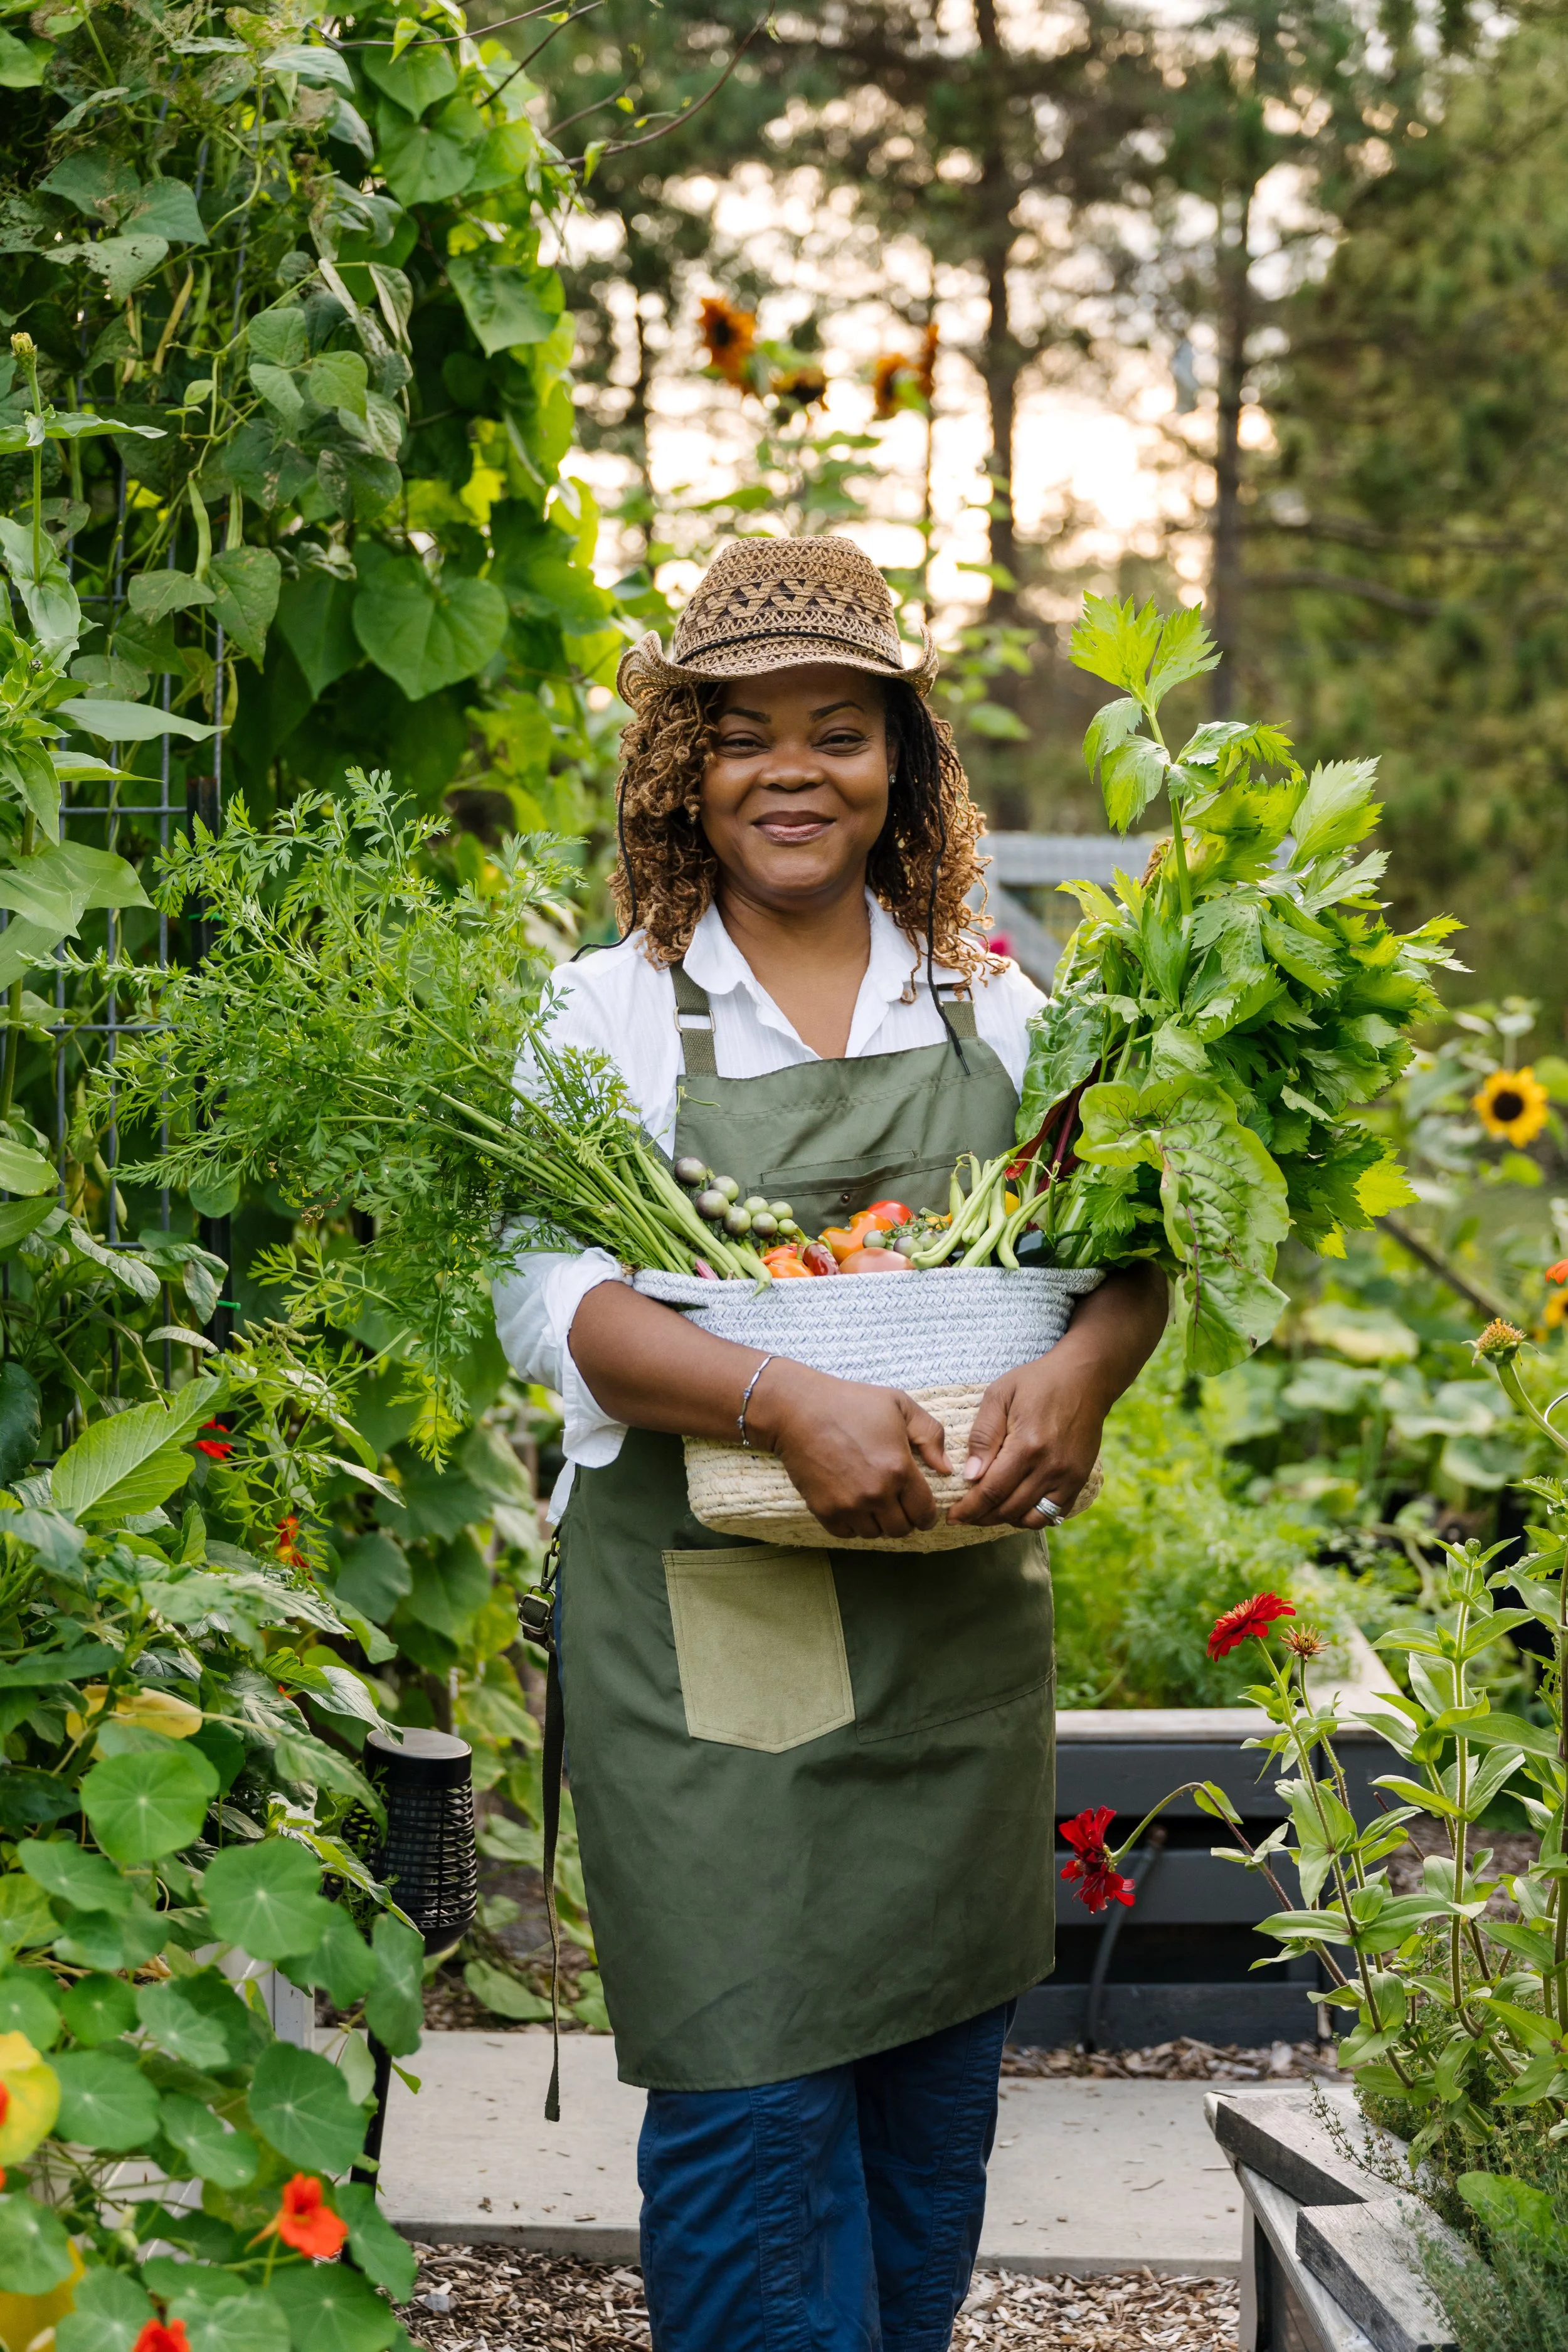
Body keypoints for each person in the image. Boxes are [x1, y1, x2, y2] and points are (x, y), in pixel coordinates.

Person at [494, 535, 1167, 2352]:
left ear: (903, 767)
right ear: (680, 773)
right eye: (742, 733)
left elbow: (1122, 1257)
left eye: (839, 730)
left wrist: (1083, 1376)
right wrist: (779, 1393)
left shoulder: (995, 1003)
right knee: (748, 2092)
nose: (793, 769)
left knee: (931, 2103)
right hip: (713, 1621)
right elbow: (547, 1297)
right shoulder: (612, 1004)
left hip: (945, 1619)